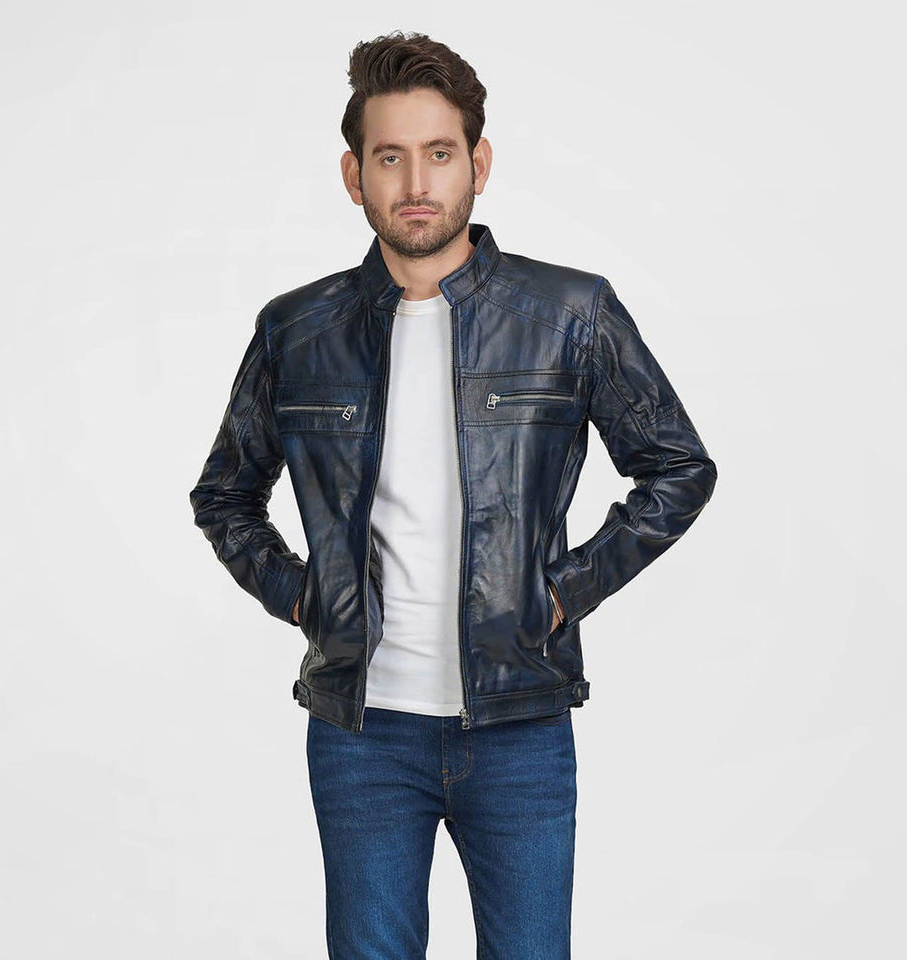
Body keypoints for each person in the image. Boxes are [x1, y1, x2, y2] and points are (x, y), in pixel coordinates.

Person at [189, 30, 717, 960]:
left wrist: (564, 592)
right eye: (389, 157)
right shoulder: (298, 330)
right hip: (362, 732)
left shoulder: (569, 315)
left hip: (521, 725)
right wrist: (304, 598)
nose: (416, 183)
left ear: (479, 163)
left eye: (439, 153)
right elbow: (226, 493)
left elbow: (678, 465)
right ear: (354, 175)